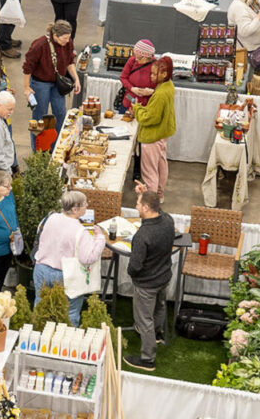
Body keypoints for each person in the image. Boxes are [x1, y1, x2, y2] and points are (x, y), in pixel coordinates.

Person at [120, 185, 174, 372]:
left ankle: (147, 359)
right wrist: (143, 193)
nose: (136, 207)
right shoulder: (168, 221)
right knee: (159, 308)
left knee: (144, 321)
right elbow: (160, 210)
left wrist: (132, 274)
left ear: (146, 208)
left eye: (138, 204)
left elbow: (135, 266)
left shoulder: (143, 236)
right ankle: (158, 335)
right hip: (163, 277)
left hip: (146, 284)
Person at [33, 191, 106, 325]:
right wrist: (100, 238)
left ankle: (38, 335)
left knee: (40, 307)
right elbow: (87, 258)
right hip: (65, 275)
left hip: (41, 269)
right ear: (74, 209)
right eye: (84, 204)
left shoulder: (51, 217)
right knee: (70, 313)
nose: (87, 206)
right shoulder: (80, 231)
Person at [23, 21, 80, 150]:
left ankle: (56, 148)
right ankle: (38, 150)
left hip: (57, 83)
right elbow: (27, 67)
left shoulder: (68, 43)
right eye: (64, 38)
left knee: (60, 113)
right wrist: (27, 88)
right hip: (40, 83)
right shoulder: (40, 45)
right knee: (39, 117)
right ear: (55, 35)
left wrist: (76, 79)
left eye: (68, 37)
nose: (67, 41)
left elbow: (70, 62)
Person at [131, 56, 176, 201]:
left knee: (149, 173)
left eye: (153, 74)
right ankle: (159, 195)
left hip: (152, 137)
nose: (151, 77)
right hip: (162, 134)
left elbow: (149, 118)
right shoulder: (169, 86)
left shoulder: (160, 94)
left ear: (164, 74)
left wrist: (136, 108)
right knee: (161, 165)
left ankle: (150, 203)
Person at [119, 39, 156, 113]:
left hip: (146, 105)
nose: (136, 59)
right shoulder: (132, 61)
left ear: (146, 57)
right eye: (135, 56)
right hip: (129, 98)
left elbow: (162, 87)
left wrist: (152, 92)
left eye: (139, 58)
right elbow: (123, 77)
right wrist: (132, 89)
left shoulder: (156, 66)